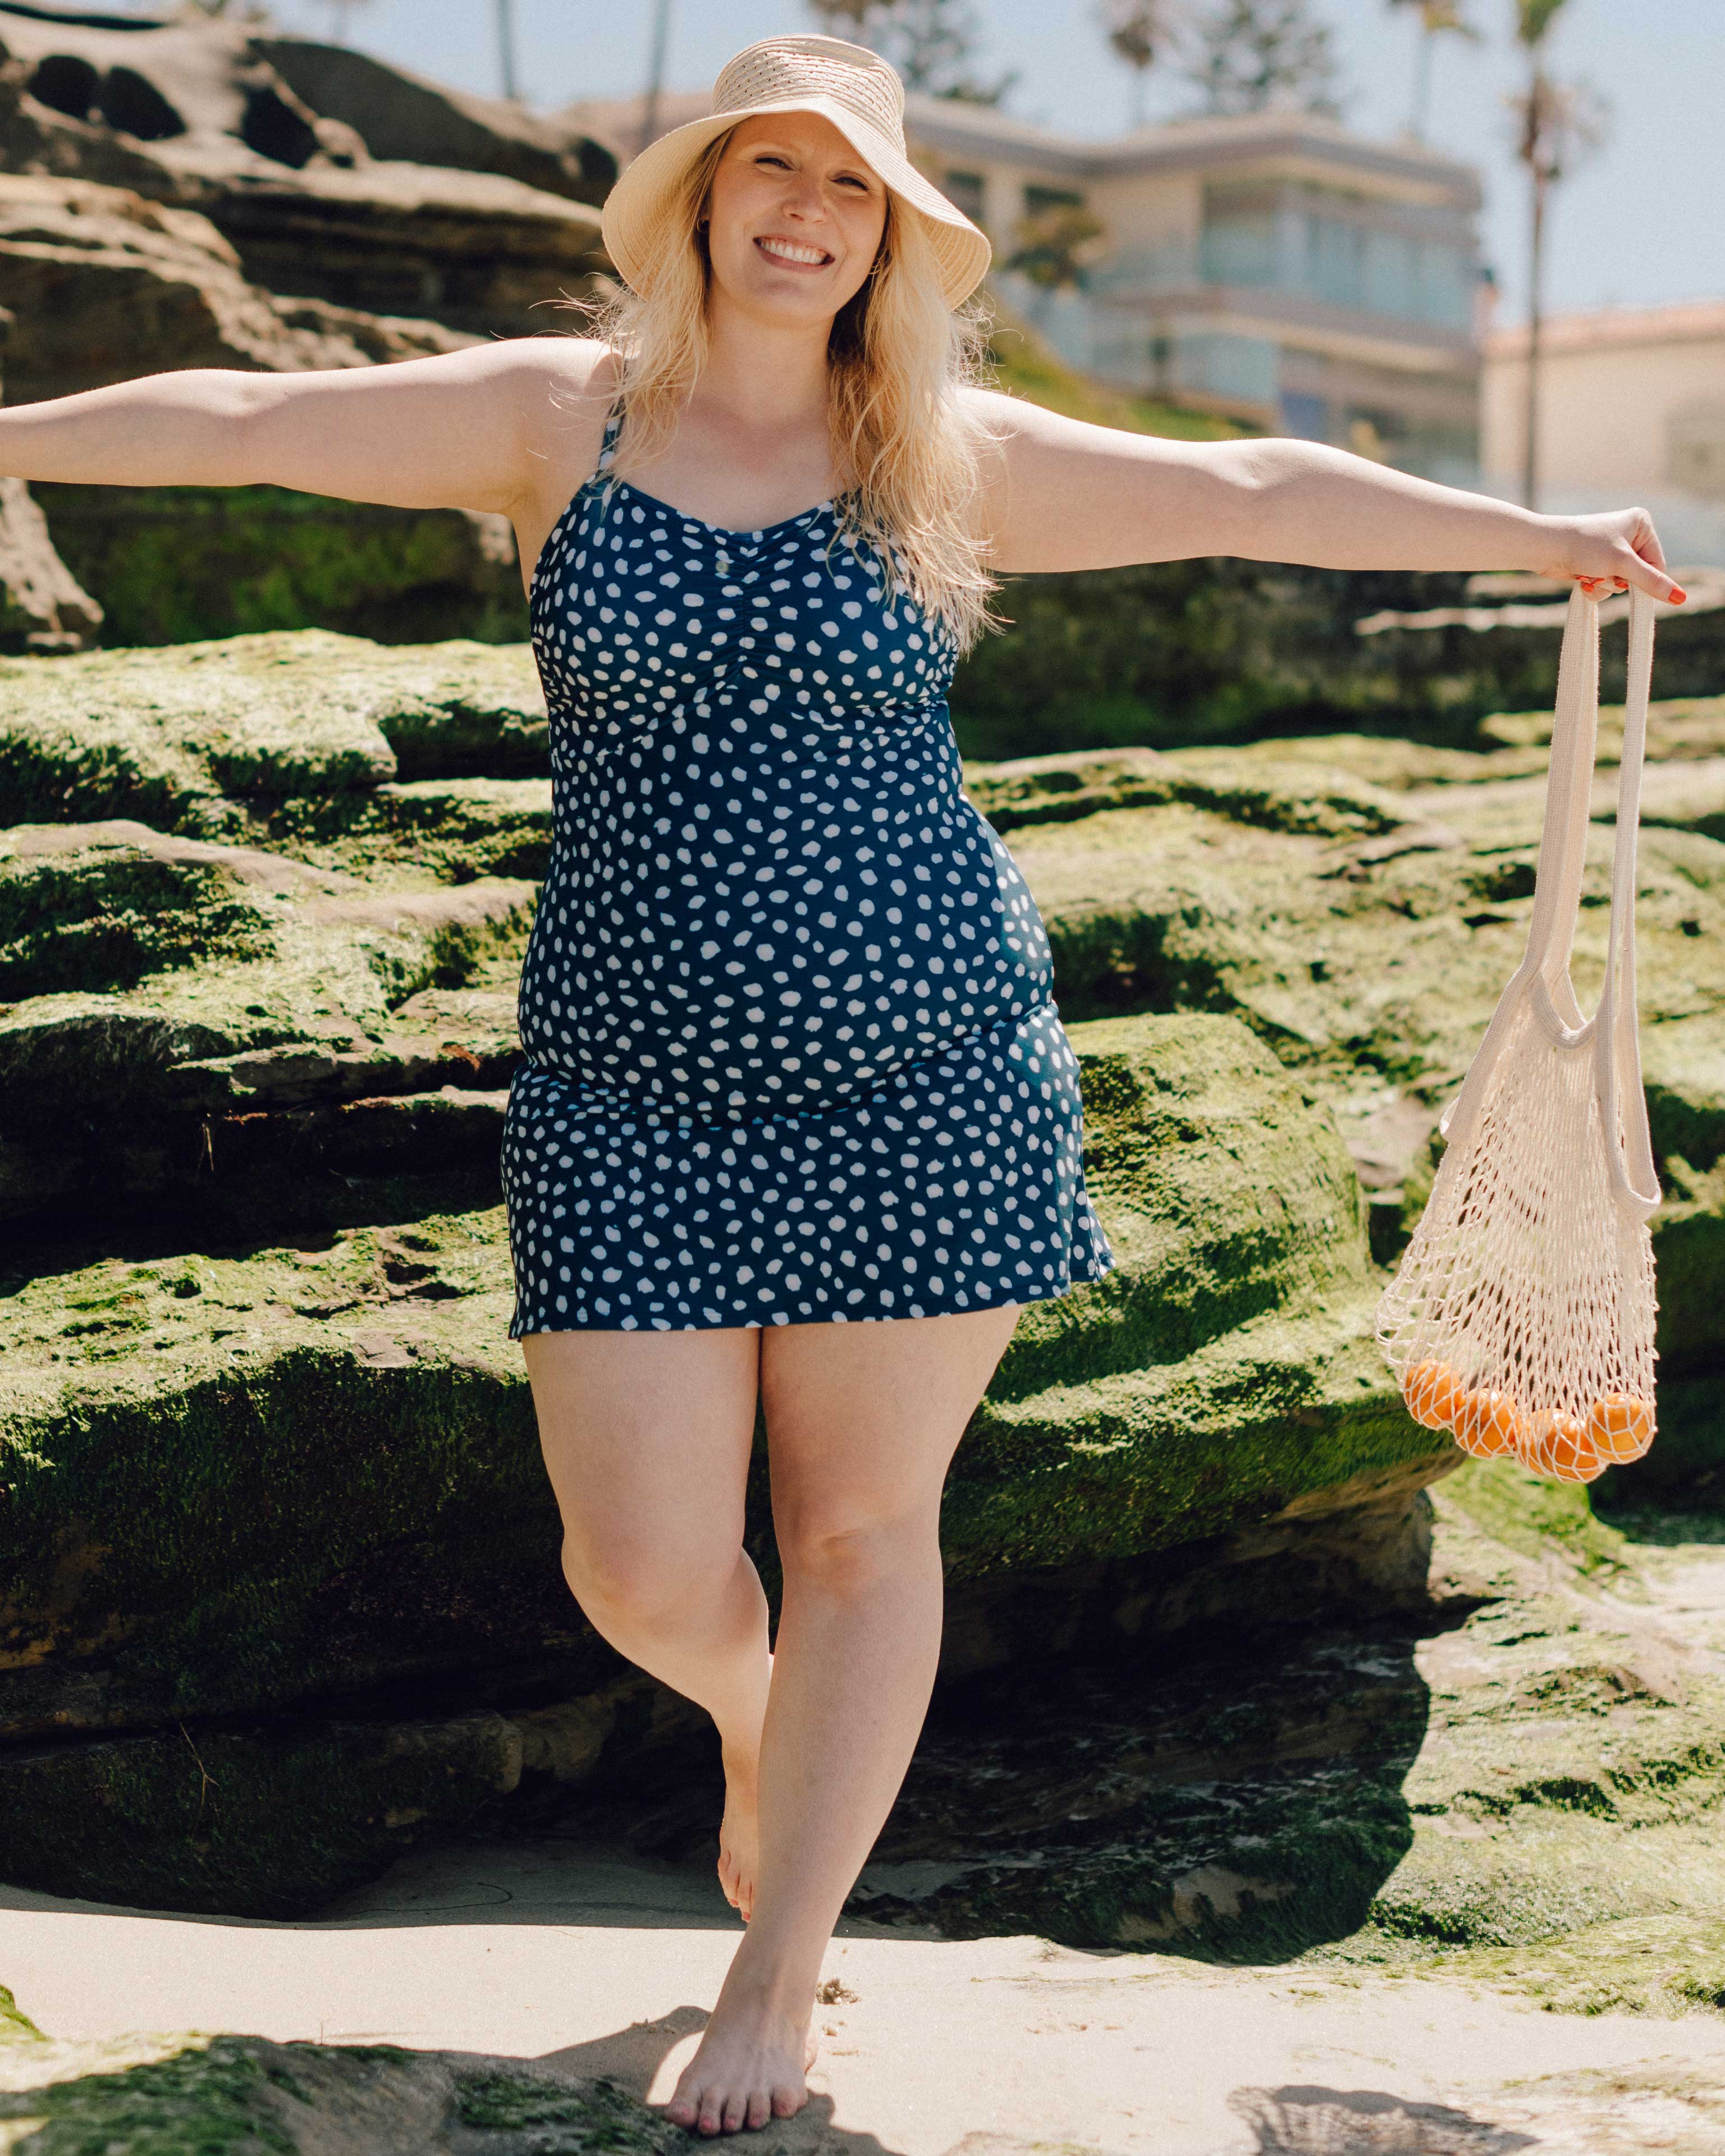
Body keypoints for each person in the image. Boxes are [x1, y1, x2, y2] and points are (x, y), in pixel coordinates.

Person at [0, 30, 1679, 2136]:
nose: (804, 211)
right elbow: (250, 422)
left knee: (864, 1528)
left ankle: (778, 1967)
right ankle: (757, 1716)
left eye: (850, 186)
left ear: (888, 234)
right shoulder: (555, 419)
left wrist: (1531, 529)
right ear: (702, 195)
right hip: (625, 1078)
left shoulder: (938, 455)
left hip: (927, 1066)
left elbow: (1249, 492)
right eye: (769, 169)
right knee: (638, 1569)